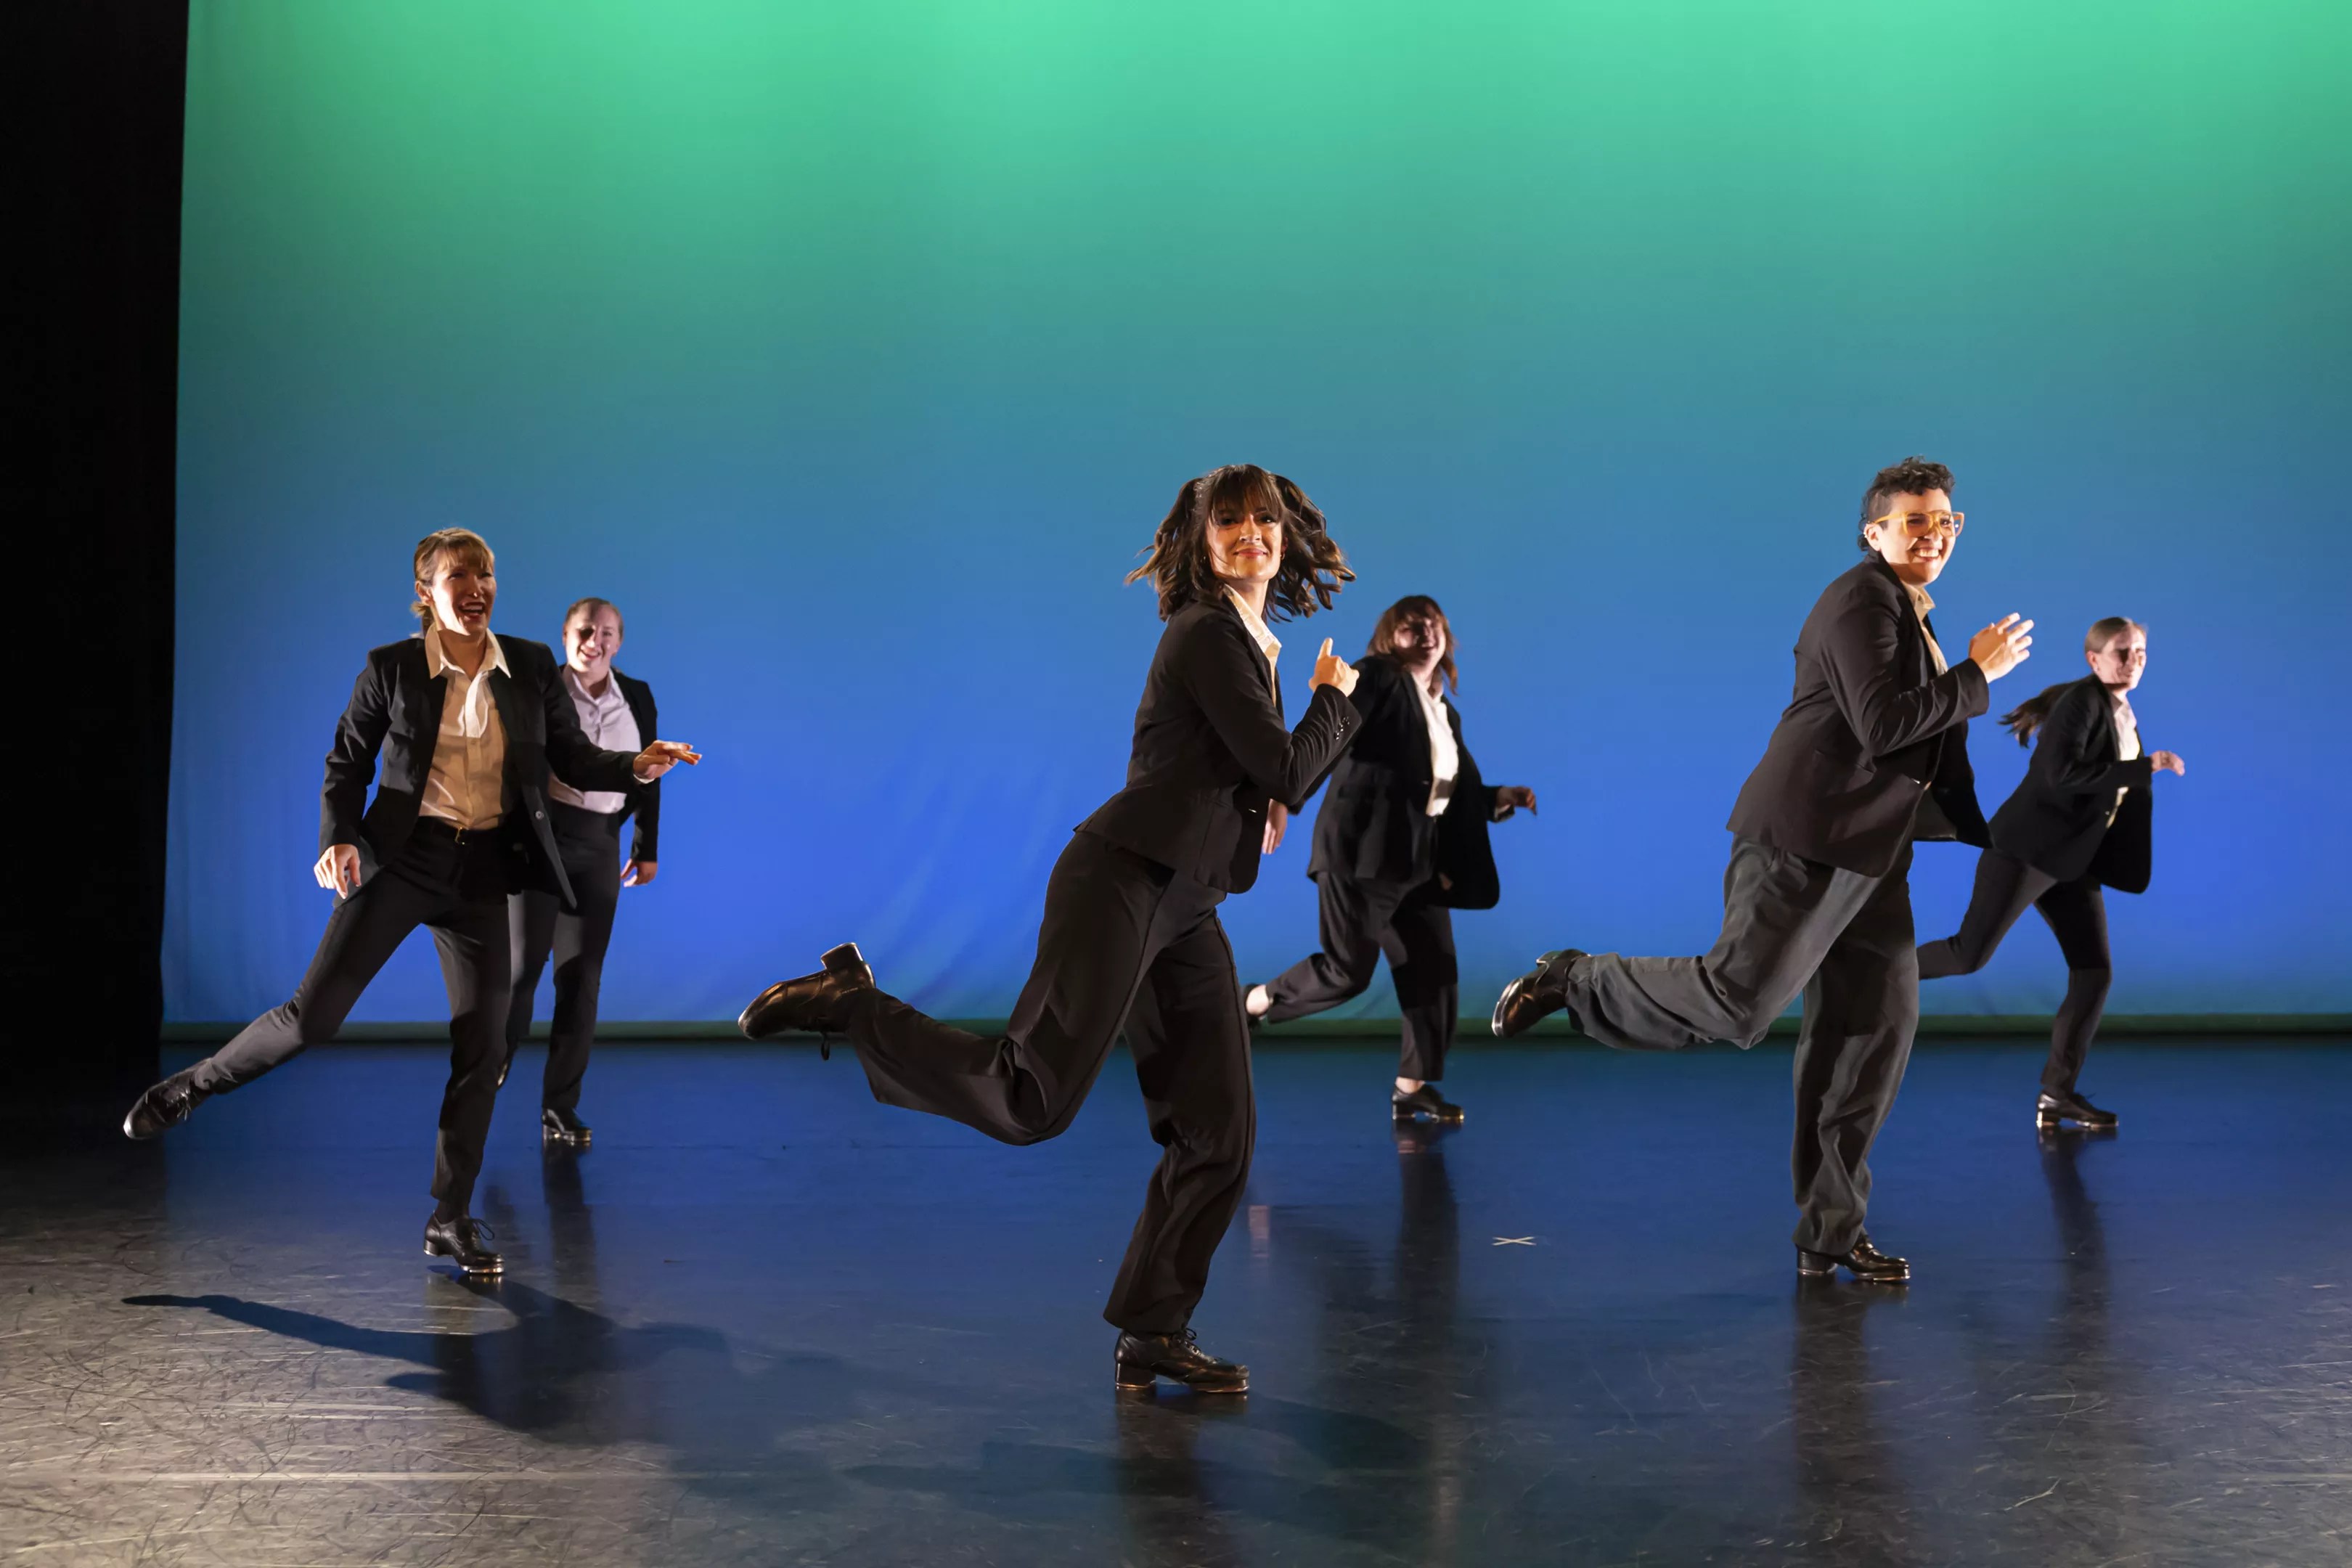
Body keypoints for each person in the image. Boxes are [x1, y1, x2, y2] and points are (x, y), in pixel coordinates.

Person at [737, 465, 1361, 1394]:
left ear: (1285, 534)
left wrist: (1262, 797)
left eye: (1261, 520)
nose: (1249, 535)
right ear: (1199, 543)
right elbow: (1283, 764)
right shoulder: (1204, 634)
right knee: (1031, 1101)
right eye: (1227, 522)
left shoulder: (1250, 642)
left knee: (1219, 1133)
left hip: (1186, 906)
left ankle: (1154, 1327)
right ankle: (853, 1007)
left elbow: (1248, 775)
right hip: (1123, 884)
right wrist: (1334, 706)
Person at [1490, 456, 2033, 1284]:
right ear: (1874, 531)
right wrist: (1977, 675)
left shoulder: (1906, 608)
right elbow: (1885, 725)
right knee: (1739, 1003)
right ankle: (1576, 978)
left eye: (1946, 520)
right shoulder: (1859, 599)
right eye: (1915, 520)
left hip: (1871, 854)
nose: (1934, 534)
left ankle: (1831, 1229)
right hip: (1804, 838)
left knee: (1872, 1036)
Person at [122, 530, 701, 1276]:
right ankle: (189, 1088)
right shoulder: (390, 669)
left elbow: (572, 756)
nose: (478, 585)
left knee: (484, 1044)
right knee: (313, 1021)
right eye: (460, 574)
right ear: (426, 592)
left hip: (485, 872)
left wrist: (635, 765)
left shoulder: (526, 666)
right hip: (403, 860)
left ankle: (451, 1216)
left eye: (487, 573)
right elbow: (347, 761)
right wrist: (339, 838)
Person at [1243, 595, 1538, 1122]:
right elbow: (1332, 731)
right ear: (1389, 637)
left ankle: (1411, 1088)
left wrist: (1498, 798)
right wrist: (1284, 796)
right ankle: (1251, 1004)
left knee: (1434, 974)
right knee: (1346, 971)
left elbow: (1451, 789)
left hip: (1418, 864)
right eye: (1410, 625)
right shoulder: (1377, 676)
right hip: (1361, 852)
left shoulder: (1444, 709)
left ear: (1445, 636)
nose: (1425, 631)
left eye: (1433, 624)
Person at [1916, 618, 2185, 1130]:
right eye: (2123, 652)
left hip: (2070, 863)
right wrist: (2143, 767)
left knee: (2093, 972)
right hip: (2024, 851)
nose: (2134, 661)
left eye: (2142, 652)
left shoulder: (2117, 708)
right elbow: (2061, 777)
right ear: (2095, 659)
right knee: (1967, 955)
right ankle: (1872, 976)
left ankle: (2057, 1095)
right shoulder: (2081, 703)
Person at [499, 596, 664, 1148]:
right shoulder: (544, 689)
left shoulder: (636, 696)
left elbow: (649, 772)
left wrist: (645, 847)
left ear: (620, 640)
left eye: (609, 632)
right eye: (586, 631)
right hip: (544, 839)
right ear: (566, 635)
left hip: (600, 841)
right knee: (523, 969)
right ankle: (492, 1061)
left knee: (581, 980)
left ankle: (559, 1107)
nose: (597, 641)